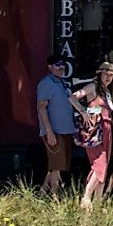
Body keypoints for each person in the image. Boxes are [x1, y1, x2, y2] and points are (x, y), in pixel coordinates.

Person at [77, 64, 113, 206]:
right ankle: (86, 198)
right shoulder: (92, 87)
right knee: (100, 164)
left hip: (108, 129)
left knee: (104, 166)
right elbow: (73, 97)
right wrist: (83, 111)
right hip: (95, 130)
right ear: (100, 74)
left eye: (111, 75)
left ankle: (97, 201)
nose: (108, 78)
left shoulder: (108, 92)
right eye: (106, 74)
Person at [36, 53, 77, 197]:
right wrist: (49, 131)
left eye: (63, 64)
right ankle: (54, 198)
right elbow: (41, 107)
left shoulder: (62, 83)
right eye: (58, 64)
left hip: (65, 131)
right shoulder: (46, 83)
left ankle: (42, 193)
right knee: (57, 166)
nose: (61, 67)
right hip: (54, 132)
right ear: (50, 67)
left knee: (56, 166)